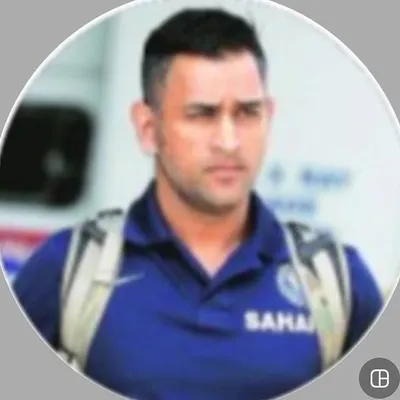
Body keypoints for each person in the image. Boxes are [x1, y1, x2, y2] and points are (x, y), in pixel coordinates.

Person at [12, 7, 383, 400]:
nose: (229, 141)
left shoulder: (335, 283)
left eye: (247, 113)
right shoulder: (68, 271)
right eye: (202, 115)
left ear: (268, 117)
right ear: (148, 127)